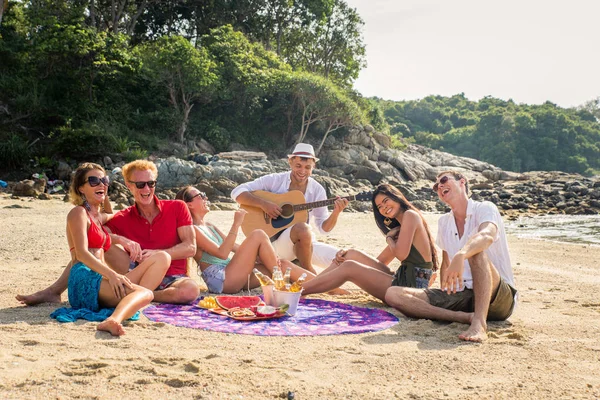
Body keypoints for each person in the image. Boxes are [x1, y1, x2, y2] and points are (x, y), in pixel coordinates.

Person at [16, 160, 199, 306]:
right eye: (141, 184)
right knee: (101, 245)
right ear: (129, 185)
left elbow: (190, 247)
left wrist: (158, 253)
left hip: (174, 278)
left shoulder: (177, 207)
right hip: (136, 271)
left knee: (190, 291)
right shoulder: (119, 217)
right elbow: (93, 238)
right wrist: (122, 239)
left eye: (151, 183)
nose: (146, 189)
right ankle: (55, 290)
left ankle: (145, 295)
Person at [385, 171, 518, 343]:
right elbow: (446, 263)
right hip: (465, 295)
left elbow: (487, 236)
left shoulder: (484, 207)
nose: (439, 186)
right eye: (436, 186)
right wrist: (444, 293)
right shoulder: (444, 222)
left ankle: (479, 323)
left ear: (462, 182)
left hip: (499, 296)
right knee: (393, 294)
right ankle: (462, 317)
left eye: (444, 180)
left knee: (475, 251)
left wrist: (462, 254)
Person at [58, 163, 170, 336]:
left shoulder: (97, 216)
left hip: (101, 277)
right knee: (146, 293)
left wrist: (103, 193)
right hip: (84, 278)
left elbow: (112, 214)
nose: (101, 184)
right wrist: (112, 274)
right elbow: (81, 253)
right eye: (94, 181)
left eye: (104, 180)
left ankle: (129, 300)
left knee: (162, 257)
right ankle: (114, 319)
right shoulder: (78, 213)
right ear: (81, 188)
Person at [301, 184, 438, 301]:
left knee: (349, 267)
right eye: (380, 206)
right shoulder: (402, 224)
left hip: (412, 285)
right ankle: (309, 285)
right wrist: (349, 255)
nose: (384, 207)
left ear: (397, 197)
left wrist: (389, 238)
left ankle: (298, 291)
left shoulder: (410, 215)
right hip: (403, 277)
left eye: (386, 201)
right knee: (350, 255)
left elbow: (401, 255)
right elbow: (381, 261)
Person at [230, 143, 349, 274]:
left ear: (313, 167)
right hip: (272, 245)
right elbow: (237, 192)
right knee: (302, 228)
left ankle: (305, 268)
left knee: (343, 258)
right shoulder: (274, 180)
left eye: (307, 167)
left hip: (303, 245)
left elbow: (324, 229)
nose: (302, 171)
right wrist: (263, 204)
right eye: (298, 166)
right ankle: (309, 271)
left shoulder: (317, 190)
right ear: (290, 162)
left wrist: (336, 212)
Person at [176, 186, 316, 293]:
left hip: (234, 273)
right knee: (258, 234)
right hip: (222, 279)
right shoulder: (193, 230)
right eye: (201, 195)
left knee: (283, 265)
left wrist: (258, 256)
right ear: (189, 204)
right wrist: (236, 224)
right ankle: (281, 284)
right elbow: (222, 253)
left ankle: (323, 285)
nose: (206, 198)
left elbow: (234, 247)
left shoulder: (209, 226)